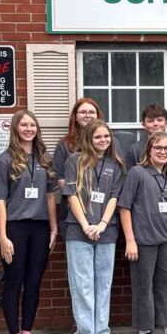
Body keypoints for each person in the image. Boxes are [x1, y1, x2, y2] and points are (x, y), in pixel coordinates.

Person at [0, 109, 58, 334]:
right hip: (15, 227)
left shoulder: (44, 159)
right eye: (24, 125)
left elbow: (51, 195)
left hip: (40, 227)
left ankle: (28, 331)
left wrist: (53, 228)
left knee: (33, 282)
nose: (29, 129)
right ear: (16, 129)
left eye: (33, 124)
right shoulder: (5, 160)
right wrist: (2, 237)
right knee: (15, 281)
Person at [63, 119, 125, 334]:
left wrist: (101, 224)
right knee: (82, 286)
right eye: (98, 136)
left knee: (103, 285)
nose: (103, 140)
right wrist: (87, 225)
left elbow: (113, 198)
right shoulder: (74, 161)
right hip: (79, 232)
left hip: (106, 231)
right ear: (89, 138)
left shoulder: (115, 165)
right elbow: (72, 195)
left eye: (106, 137)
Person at [118, 131, 167, 334]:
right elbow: (124, 207)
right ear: (149, 150)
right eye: (158, 148)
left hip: (165, 239)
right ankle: (144, 332)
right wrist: (130, 240)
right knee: (143, 286)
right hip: (143, 240)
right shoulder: (137, 173)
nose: (163, 152)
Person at [53, 98, 105, 237]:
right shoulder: (65, 144)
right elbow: (61, 179)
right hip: (73, 212)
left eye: (91, 112)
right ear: (75, 117)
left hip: (103, 212)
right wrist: (82, 204)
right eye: (82, 112)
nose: (87, 115)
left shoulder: (109, 142)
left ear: (98, 115)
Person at [125, 103, 167, 170]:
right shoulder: (135, 150)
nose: (156, 124)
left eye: (159, 120)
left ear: (166, 123)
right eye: (150, 121)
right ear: (144, 125)